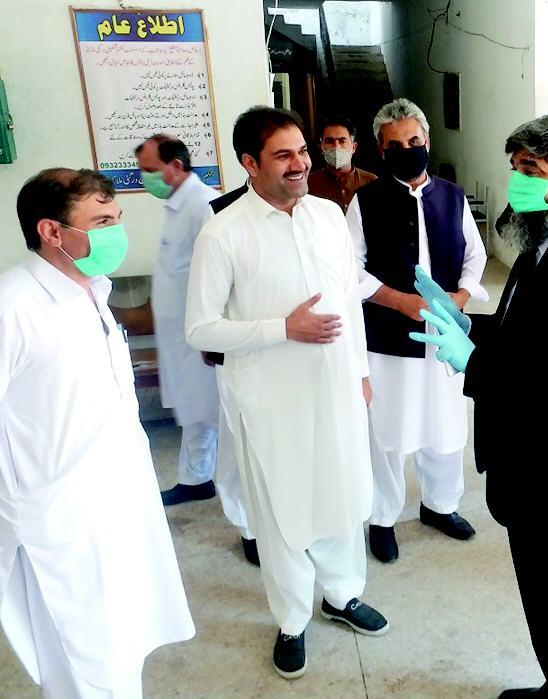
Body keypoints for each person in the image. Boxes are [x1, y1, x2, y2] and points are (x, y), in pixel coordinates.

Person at [411, 112, 548, 699]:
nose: (517, 181)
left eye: (532, 170)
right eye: (515, 167)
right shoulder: (545, 241)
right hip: (531, 464)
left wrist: (476, 364)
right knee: (543, 599)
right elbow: (526, 334)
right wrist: (469, 324)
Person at [185, 106, 388, 681]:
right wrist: (283, 329)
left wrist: (360, 371)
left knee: (343, 496)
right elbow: (200, 330)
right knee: (282, 512)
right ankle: (292, 620)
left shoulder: (328, 215)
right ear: (249, 163)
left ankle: (342, 595)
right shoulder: (223, 232)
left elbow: (349, 302)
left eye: (302, 151)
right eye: (283, 155)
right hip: (270, 401)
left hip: (337, 388)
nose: (300, 164)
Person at [1, 168, 194, 698]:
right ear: (51, 231)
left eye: (117, 219)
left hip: (119, 504)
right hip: (60, 523)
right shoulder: (14, 304)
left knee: (122, 642)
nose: (117, 232)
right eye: (102, 221)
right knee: (83, 662)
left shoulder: (93, 292)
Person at [346, 98, 487, 563]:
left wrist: (459, 298)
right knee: (387, 431)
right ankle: (382, 517)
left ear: (427, 140)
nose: (407, 150)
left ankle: (440, 505)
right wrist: (398, 300)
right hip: (388, 339)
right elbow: (350, 269)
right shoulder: (365, 201)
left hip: (445, 336)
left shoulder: (453, 196)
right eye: (395, 145)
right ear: (380, 150)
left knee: (445, 425)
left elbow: (475, 257)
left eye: (414, 141)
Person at [135, 135, 221, 507]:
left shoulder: (202, 204)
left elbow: (215, 273)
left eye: (150, 170)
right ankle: (196, 478)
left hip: (199, 335)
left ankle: (214, 482)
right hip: (179, 334)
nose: (144, 178)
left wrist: (210, 334)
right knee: (195, 409)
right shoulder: (177, 204)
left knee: (209, 409)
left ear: (175, 165)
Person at [308, 117, 377, 213]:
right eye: (329, 141)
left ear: (354, 147)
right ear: (321, 147)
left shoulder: (371, 182)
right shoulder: (309, 184)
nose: (336, 147)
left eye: (342, 141)